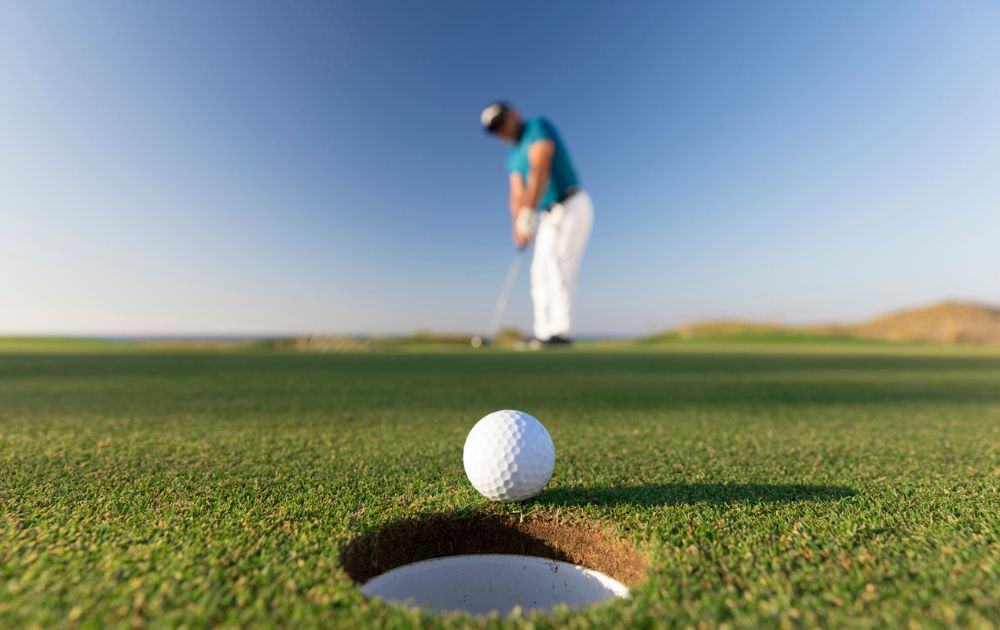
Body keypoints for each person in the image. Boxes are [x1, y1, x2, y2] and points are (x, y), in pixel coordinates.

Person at [480, 101, 593, 345]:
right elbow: (517, 194)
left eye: (501, 122)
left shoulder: (537, 127)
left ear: (513, 114)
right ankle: (543, 333)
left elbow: (539, 170)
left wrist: (528, 212)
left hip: (572, 204)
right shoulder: (512, 156)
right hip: (546, 215)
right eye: (495, 129)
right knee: (539, 272)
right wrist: (518, 226)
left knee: (558, 267)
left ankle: (560, 332)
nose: (501, 131)